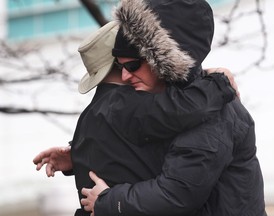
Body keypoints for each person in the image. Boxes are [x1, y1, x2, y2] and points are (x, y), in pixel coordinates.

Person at [79, 0, 266, 215]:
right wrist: (79, 154)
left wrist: (109, 202)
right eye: (120, 66)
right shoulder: (183, 104)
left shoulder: (209, 115)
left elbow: (177, 195)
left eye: (132, 66)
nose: (124, 76)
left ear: (160, 59)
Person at [33, 19, 237, 216]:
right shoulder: (130, 104)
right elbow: (183, 108)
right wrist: (218, 83)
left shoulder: (91, 114)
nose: (127, 75)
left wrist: (76, 155)